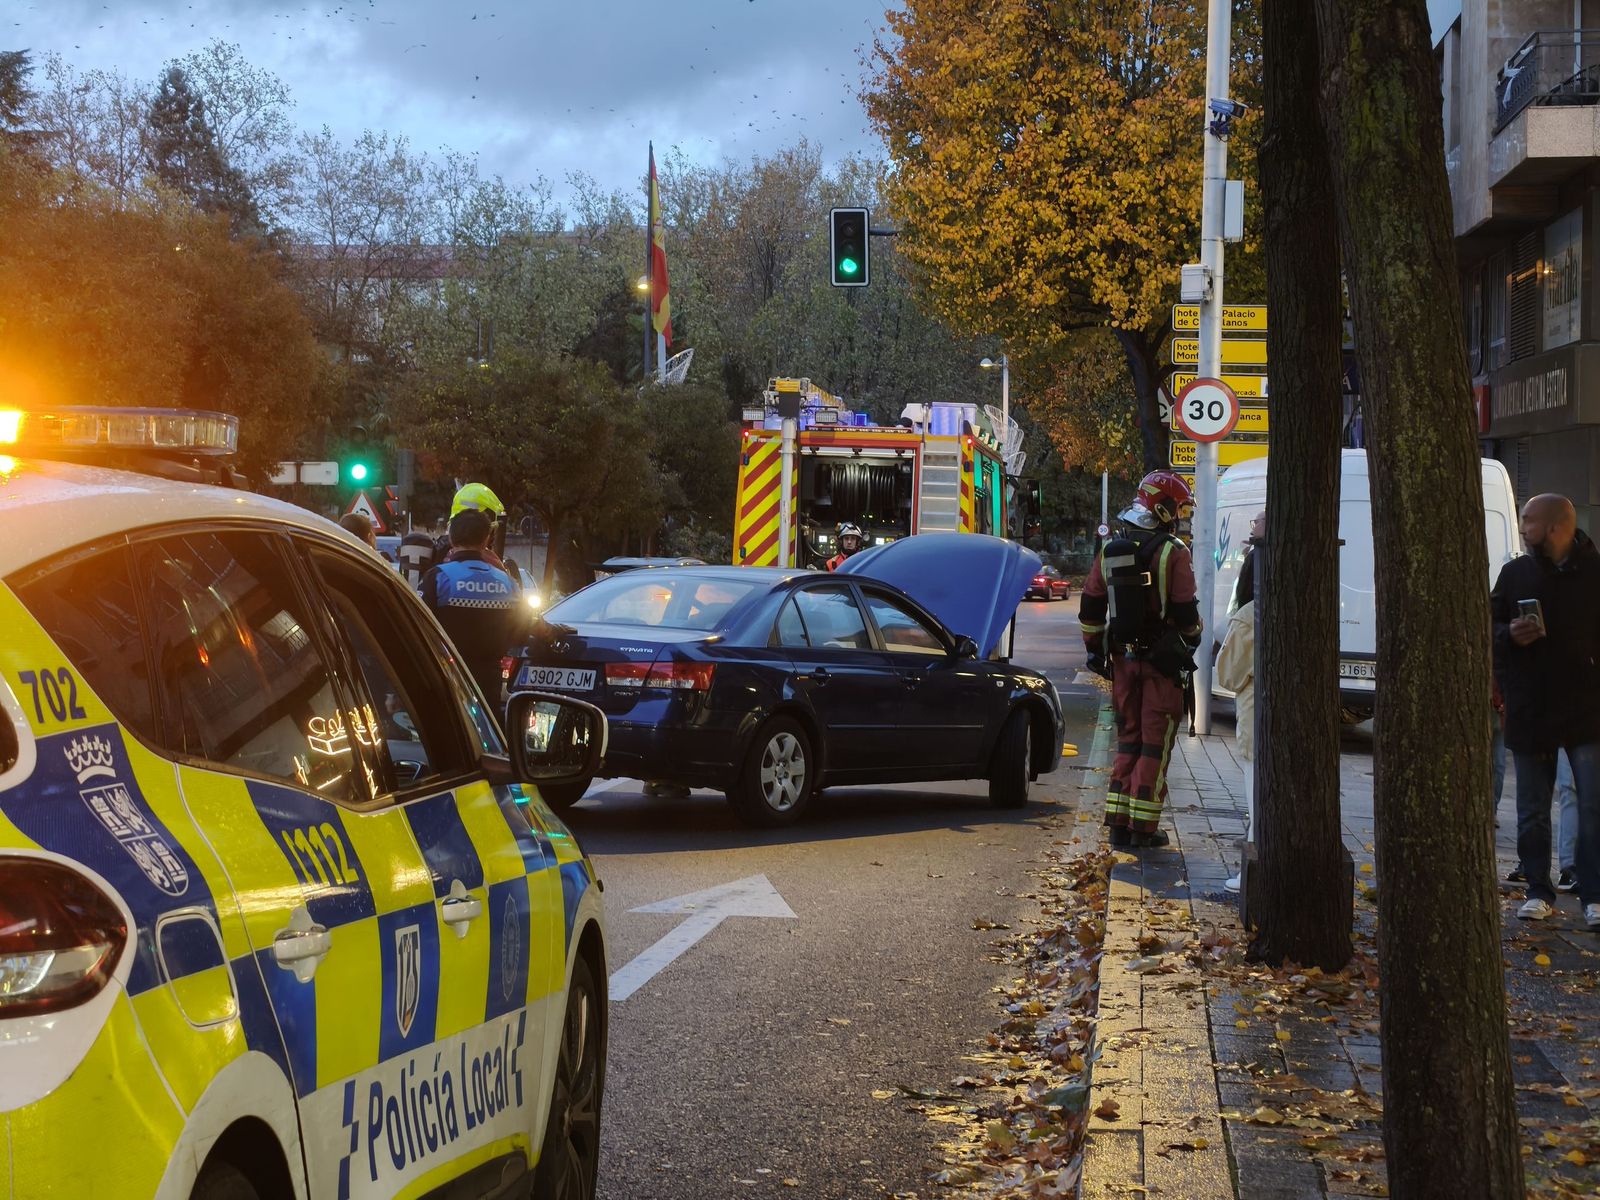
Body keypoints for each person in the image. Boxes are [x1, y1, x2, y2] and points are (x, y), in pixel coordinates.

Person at [1490, 493, 1600, 928]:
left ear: (1556, 527)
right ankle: (1538, 888)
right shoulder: (1515, 573)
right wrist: (1508, 636)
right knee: (1533, 806)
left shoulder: (1595, 574)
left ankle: (1593, 893)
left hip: (1588, 710)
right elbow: (1489, 623)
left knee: (1592, 803)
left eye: (1528, 520)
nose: (1522, 526)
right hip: (1532, 707)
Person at [1078, 471, 1203, 849]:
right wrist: (1190, 643)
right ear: (1162, 507)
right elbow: (1186, 616)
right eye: (1178, 507)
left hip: (1122, 663)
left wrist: (1096, 651)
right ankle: (1144, 829)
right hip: (1161, 667)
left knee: (1128, 740)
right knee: (1154, 745)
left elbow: (1090, 607)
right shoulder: (1174, 552)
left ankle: (1117, 823)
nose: (1180, 515)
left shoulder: (1110, 549)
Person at [420, 508, 527, 710]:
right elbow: (521, 631)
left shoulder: (438, 577)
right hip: (489, 680)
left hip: (447, 676)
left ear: (451, 538)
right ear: (486, 539)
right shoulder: (507, 582)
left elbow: (417, 625)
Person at [1217, 599, 1256, 892]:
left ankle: (1253, 875)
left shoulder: (1248, 617)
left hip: (1257, 723)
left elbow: (1229, 674)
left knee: (1258, 804)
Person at [1231, 510, 1266, 611]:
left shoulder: (1255, 555)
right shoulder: (1256, 553)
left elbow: (1243, 589)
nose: (1252, 530)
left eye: (1256, 522)